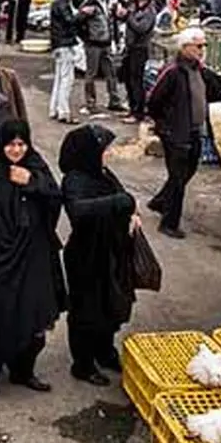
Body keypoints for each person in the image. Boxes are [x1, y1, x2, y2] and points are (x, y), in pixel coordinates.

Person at [0, 120, 65, 399]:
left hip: (32, 256)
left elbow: (56, 198)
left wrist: (32, 182)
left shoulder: (35, 166)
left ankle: (23, 371)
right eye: (11, 144)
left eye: (22, 143)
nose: (16, 149)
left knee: (34, 316)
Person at [60, 124, 140, 386]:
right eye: (104, 150)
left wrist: (131, 214)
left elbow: (122, 199)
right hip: (86, 257)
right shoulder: (74, 180)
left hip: (110, 253)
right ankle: (82, 364)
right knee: (86, 312)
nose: (109, 154)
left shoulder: (102, 174)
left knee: (110, 306)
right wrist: (121, 203)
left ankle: (105, 352)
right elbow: (79, 211)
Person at [146, 28, 210, 239]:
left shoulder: (197, 69)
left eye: (204, 46)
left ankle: (160, 201)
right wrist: (164, 125)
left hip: (193, 130)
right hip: (176, 132)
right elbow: (154, 100)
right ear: (185, 47)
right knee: (178, 178)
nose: (202, 50)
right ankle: (169, 222)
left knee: (188, 170)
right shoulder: (173, 71)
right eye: (199, 46)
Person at [78, 0, 123, 114]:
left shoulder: (108, 1)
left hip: (106, 43)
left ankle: (114, 100)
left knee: (111, 73)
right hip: (93, 44)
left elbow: (112, 20)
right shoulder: (89, 3)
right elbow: (78, 22)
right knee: (91, 73)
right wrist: (87, 37)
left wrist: (115, 38)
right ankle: (90, 103)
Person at [122, 0, 157, 123]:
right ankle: (132, 108)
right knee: (129, 79)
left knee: (137, 80)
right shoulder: (135, 7)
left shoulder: (149, 11)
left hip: (140, 49)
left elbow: (141, 28)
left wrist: (128, 17)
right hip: (130, 47)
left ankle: (138, 112)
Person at [49, 0, 82, 124]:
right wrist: (83, 14)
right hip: (64, 43)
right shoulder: (62, 3)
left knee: (59, 78)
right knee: (66, 79)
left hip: (58, 43)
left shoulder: (59, 0)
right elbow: (69, 20)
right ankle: (63, 111)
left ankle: (54, 109)